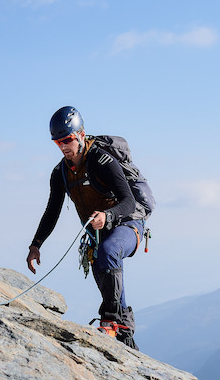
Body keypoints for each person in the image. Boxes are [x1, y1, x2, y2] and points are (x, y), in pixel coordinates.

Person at [26, 106, 145, 349]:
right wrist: (36, 244)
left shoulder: (102, 161)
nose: (63, 146)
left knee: (109, 251)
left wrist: (107, 215)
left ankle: (110, 324)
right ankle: (126, 344)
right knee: (109, 285)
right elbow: (52, 210)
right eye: (58, 142)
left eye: (67, 140)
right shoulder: (60, 173)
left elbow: (129, 201)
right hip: (97, 235)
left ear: (81, 134)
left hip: (127, 225)